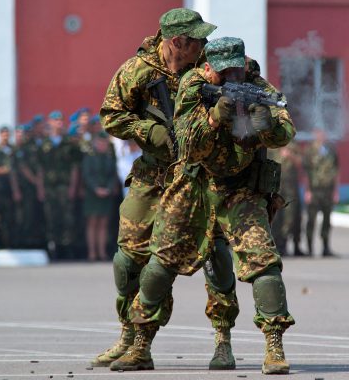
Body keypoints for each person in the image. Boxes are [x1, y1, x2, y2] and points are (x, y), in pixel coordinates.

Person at [122, 37, 295, 375]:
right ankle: (141, 344)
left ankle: (274, 345)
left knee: (263, 263)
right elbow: (187, 144)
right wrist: (216, 116)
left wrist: (268, 124)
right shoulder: (192, 85)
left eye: (237, 69)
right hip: (194, 184)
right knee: (161, 264)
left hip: (240, 188)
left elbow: (285, 132)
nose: (232, 77)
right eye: (223, 71)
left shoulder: (258, 87)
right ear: (206, 67)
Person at [94, 8, 239, 370]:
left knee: (216, 257)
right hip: (154, 175)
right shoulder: (136, 71)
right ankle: (130, 337)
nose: (204, 44)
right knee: (128, 261)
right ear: (177, 41)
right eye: (197, 39)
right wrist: (148, 131)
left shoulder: (209, 65)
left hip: (201, 176)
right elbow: (111, 114)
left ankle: (223, 341)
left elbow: (246, 78)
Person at [37, 110, 81, 259]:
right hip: (49, 187)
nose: (58, 123)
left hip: (65, 186)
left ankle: (67, 249)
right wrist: (40, 188)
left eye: (60, 120)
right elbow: (40, 168)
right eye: (55, 120)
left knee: (67, 219)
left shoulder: (69, 142)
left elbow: (75, 167)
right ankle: (53, 248)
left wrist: (73, 187)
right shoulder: (44, 143)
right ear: (49, 122)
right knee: (51, 218)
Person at [304, 129, 340, 257]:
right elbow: (306, 173)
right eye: (318, 133)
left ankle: (326, 248)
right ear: (314, 135)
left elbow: (336, 172)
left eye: (323, 133)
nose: (321, 136)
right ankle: (309, 249)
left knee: (326, 220)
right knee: (311, 221)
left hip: (327, 191)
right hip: (314, 191)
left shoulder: (331, 150)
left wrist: (336, 191)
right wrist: (307, 191)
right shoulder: (309, 151)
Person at [82, 133, 118, 261]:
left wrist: (107, 188)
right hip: (92, 193)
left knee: (103, 223)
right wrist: (96, 188)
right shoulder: (90, 157)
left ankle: (101, 252)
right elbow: (87, 175)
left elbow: (113, 175)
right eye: (100, 142)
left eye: (104, 143)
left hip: (106, 193)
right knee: (92, 222)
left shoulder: (109, 157)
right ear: (96, 143)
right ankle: (92, 253)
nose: (102, 145)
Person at [270, 142, 306, 256]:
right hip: (277, 189)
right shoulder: (271, 148)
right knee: (276, 218)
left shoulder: (293, 147)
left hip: (291, 189)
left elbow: (302, 163)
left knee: (292, 217)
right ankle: (278, 245)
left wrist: (291, 156)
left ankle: (291, 244)